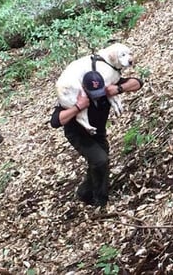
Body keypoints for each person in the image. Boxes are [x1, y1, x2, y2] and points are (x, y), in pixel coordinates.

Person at [50, 70, 143, 207]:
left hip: (98, 132)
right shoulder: (74, 96)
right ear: (84, 88)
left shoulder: (106, 87)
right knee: (100, 160)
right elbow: (55, 121)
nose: (97, 97)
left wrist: (118, 89)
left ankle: (85, 192)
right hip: (78, 134)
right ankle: (101, 201)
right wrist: (77, 107)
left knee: (100, 162)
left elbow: (138, 83)